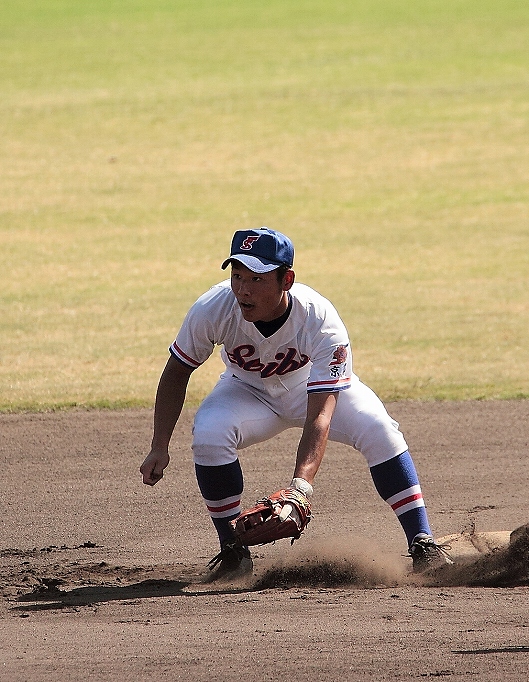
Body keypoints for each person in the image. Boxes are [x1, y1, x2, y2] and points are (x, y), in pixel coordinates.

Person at [140, 227, 452, 581]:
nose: (243, 289)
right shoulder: (213, 309)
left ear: (286, 279)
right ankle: (232, 550)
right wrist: (158, 446)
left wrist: (300, 488)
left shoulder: (319, 320)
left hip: (311, 389)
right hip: (246, 391)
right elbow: (177, 372)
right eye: (237, 275)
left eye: (256, 278)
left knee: (379, 429)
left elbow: (319, 415)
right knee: (210, 433)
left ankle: (422, 541)